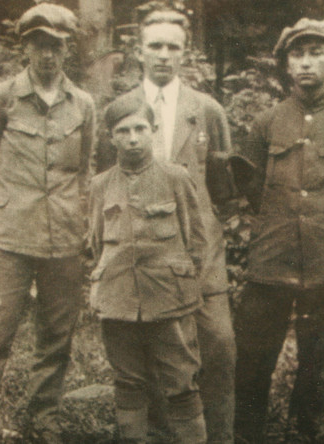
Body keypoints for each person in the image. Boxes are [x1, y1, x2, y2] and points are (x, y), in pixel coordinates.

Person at [231, 18, 324, 443]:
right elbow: (253, 191)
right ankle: (247, 435)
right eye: (297, 55)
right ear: (286, 65)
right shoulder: (267, 122)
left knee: (316, 365)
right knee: (252, 359)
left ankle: (305, 432)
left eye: (317, 53)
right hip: (272, 259)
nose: (307, 63)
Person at [95, 4, 236, 443]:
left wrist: (203, 243)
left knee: (218, 345)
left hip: (197, 253)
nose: (163, 55)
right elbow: (106, 183)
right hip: (140, 257)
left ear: (185, 51)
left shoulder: (207, 110)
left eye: (172, 47)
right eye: (154, 45)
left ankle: (218, 436)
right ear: (138, 51)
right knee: (147, 355)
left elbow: (222, 188)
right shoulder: (120, 113)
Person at [0, 4, 95, 441]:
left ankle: (44, 418)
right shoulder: (1, 97)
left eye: (56, 47)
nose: (47, 55)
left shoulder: (83, 104)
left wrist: (83, 221)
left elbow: (84, 171)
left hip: (64, 235)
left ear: (67, 50)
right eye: (39, 45)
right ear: (25, 47)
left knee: (57, 336)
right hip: (10, 235)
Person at [89, 94, 207, 443]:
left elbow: (196, 241)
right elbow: (96, 243)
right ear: (111, 137)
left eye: (140, 129)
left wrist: (181, 285)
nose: (133, 139)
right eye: (123, 131)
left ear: (153, 130)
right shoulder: (101, 185)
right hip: (119, 299)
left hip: (168, 297)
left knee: (181, 381)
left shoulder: (175, 177)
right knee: (127, 381)